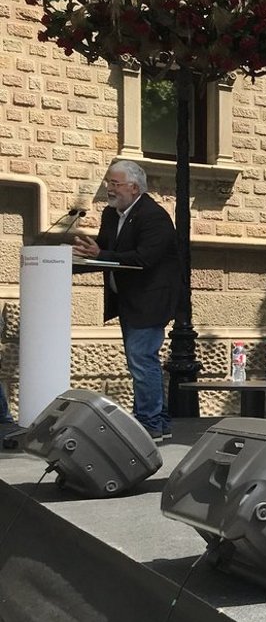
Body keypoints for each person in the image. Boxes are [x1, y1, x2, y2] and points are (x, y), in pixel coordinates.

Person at [71, 161, 180, 442]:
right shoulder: (111, 214)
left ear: (134, 187)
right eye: (109, 182)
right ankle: (160, 421)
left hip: (150, 301)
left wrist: (101, 254)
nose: (109, 188)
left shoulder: (153, 216)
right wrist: (76, 258)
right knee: (142, 362)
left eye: (115, 183)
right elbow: (105, 251)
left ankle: (149, 423)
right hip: (127, 301)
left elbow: (143, 258)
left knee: (142, 361)